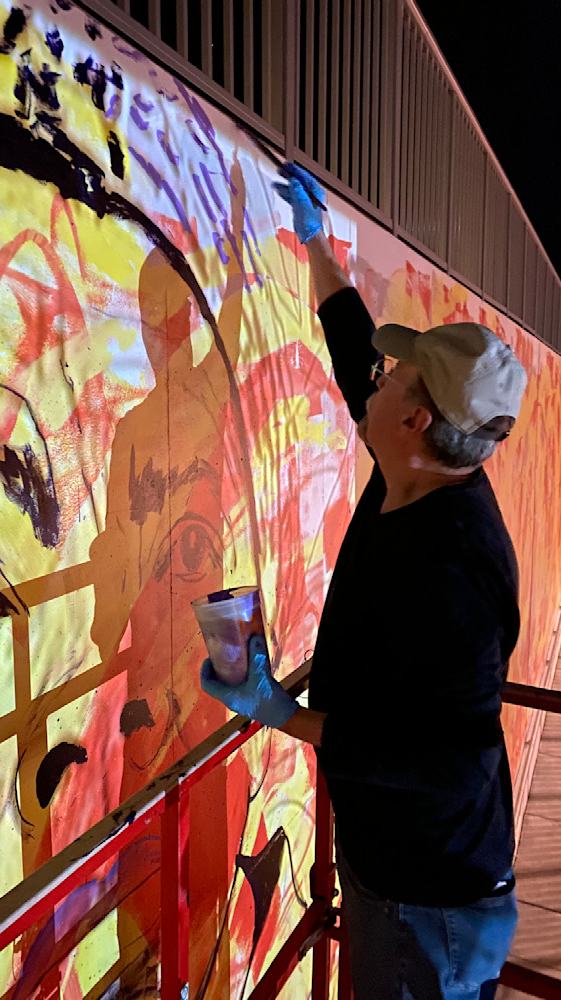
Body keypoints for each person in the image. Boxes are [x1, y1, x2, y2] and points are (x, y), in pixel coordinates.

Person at [201, 163, 527, 1000]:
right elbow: (357, 356)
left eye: (392, 381)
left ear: (415, 420)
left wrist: (288, 717)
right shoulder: (417, 467)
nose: (372, 382)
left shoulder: (456, 569)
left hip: (428, 900)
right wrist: (316, 243)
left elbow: (452, 767)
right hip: (406, 873)